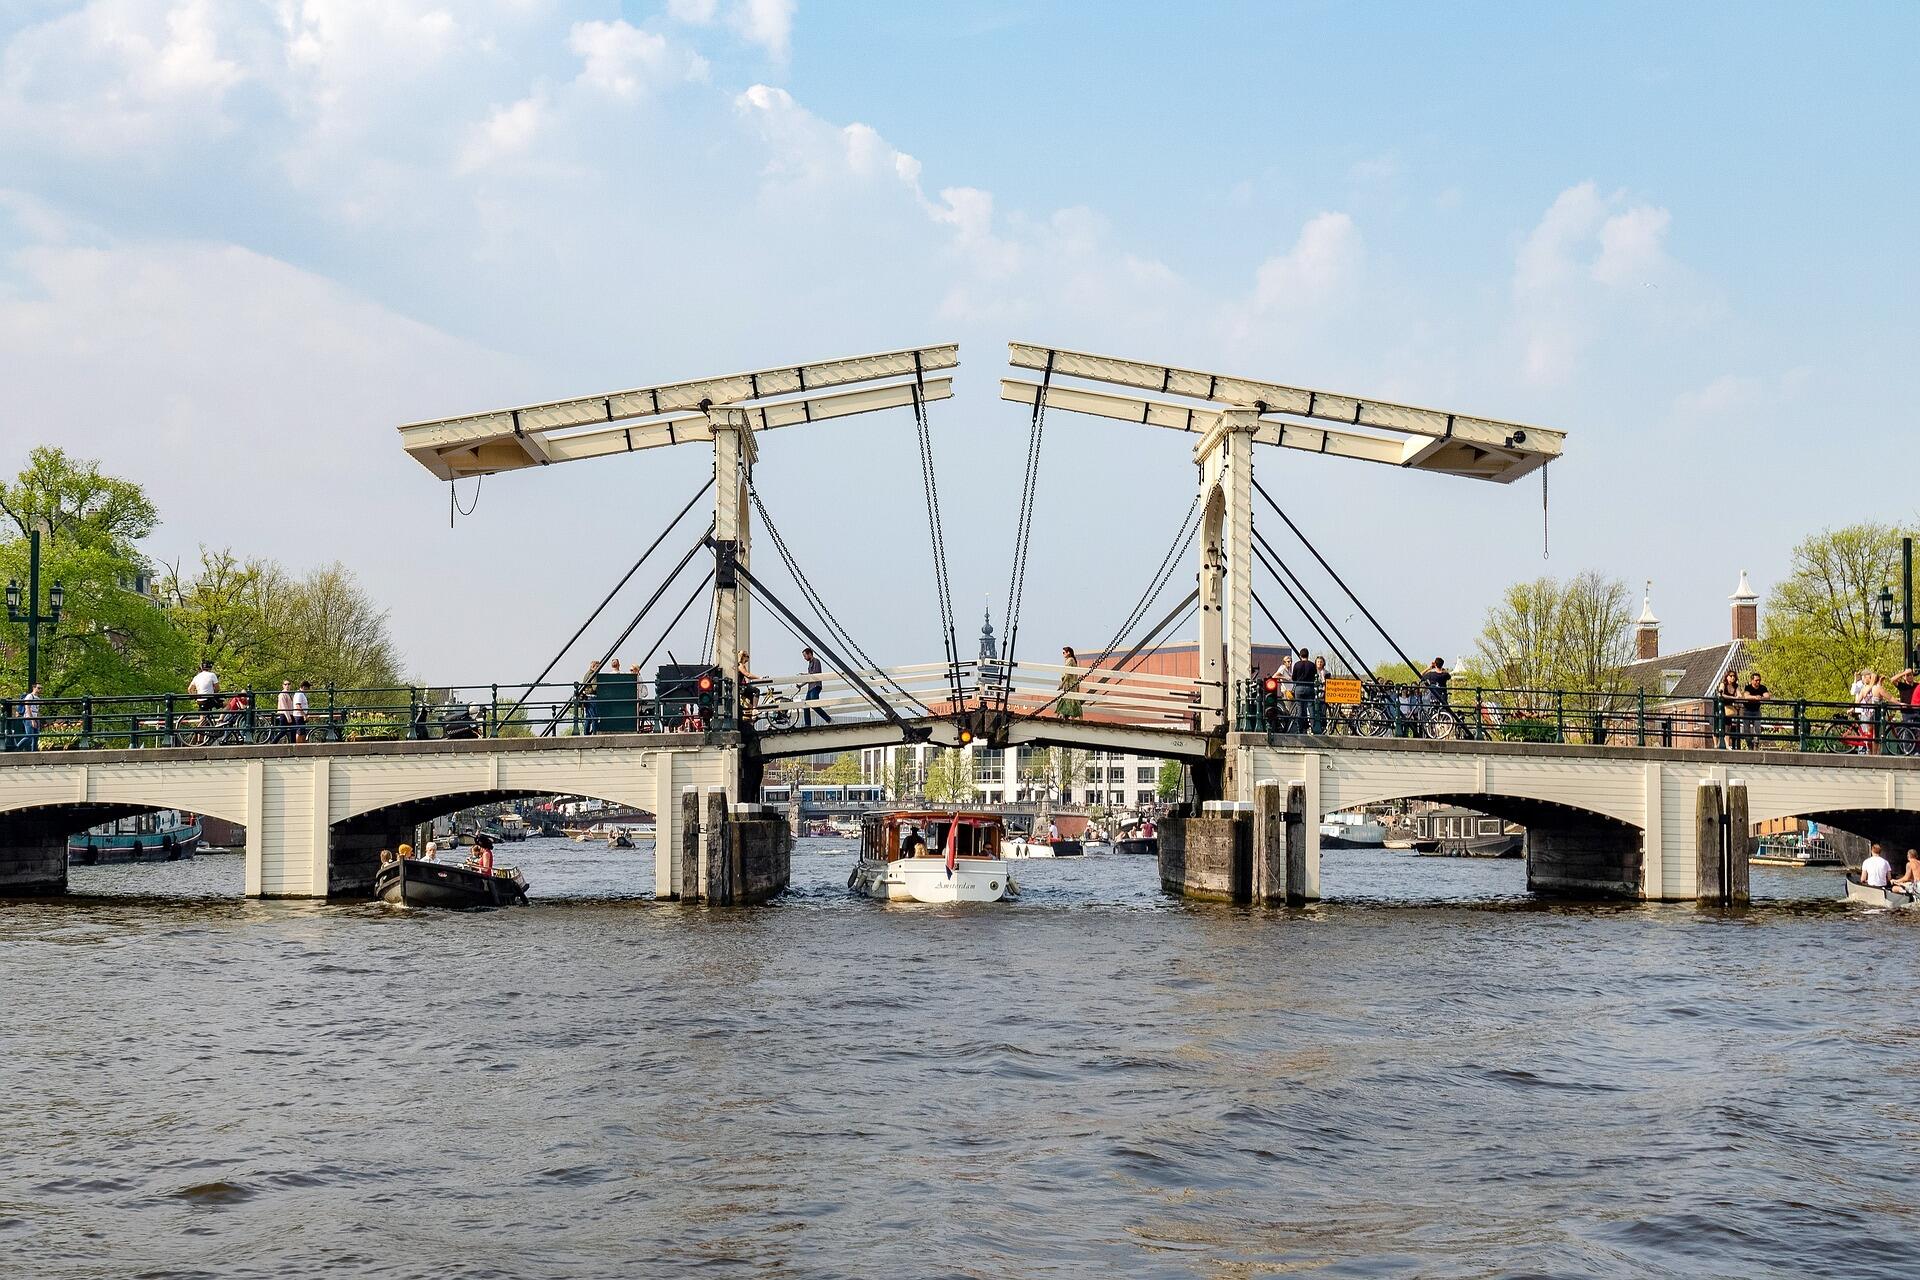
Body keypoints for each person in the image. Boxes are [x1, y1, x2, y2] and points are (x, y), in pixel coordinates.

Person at [800, 646, 832, 727]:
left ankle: (828, 719)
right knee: (806, 705)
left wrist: (805, 674)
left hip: (815, 686)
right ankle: (807, 724)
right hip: (810, 687)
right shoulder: (810, 663)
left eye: (805, 656)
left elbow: (815, 674)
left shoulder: (816, 661)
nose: (804, 658)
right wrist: (801, 685)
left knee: (814, 704)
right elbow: (809, 677)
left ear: (809, 654)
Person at [1289, 648, 1318, 734]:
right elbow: (1315, 676)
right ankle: (1313, 727)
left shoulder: (1297, 665)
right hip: (1309, 687)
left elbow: (1293, 677)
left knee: (1300, 708)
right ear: (1308, 655)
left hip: (1299, 687)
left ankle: (1300, 729)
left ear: (1300, 655)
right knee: (1311, 707)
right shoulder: (1312, 665)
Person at [1741, 669, 1768, 748]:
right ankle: (1749, 744)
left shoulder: (1762, 688)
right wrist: (1755, 697)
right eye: (1756, 680)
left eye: (1759, 680)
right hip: (1747, 710)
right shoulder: (1748, 687)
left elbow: (1767, 696)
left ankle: (1756, 743)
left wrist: (1761, 698)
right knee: (1746, 729)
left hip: (1756, 710)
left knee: (1757, 728)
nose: (1758, 682)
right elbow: (1746, 696)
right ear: (1752, 680)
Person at [1717, 671, 1743, 749]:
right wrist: (1733, 698)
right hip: (1721, 707)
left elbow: (1739, 695)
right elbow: (1721, 694)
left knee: (1728, 726)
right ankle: (1722, 743)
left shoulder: (1735, 686)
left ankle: (1727, 744)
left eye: (1734, 676)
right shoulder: (1723, 684)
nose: (1733, 677)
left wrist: (1738, 696)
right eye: (1731, 676)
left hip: (1729, 708)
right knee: (1721, 725)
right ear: (1727, 676)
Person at [1057, 647, 1083, 720]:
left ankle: (1068, 717)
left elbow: (1068, 674)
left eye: (1063, 652)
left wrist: (1062, 684)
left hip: (1069, 684)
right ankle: (1074, 717)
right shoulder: (1072, 660)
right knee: (1073, 700)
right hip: (1072, 683)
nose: (1063, 654)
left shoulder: (1070, 660)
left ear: (1068, 652)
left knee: (1070, 700)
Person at [20, 683, 41, 752]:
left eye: (41, 688)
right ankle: (16, 747)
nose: (40, 689)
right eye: (38, 688)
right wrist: (32, 720)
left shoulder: (38, 698)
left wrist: (38, 719)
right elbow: (27, 707)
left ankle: (34, 752)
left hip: (36, 718)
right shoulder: (29, 696)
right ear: (34, 688)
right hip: (29, 718)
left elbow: (37, 710)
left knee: (36, 737)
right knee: (29, 736)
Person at [1312, 656, 1328, 733]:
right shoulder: (1313, 672)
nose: (1319, 663)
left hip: (1323, 694)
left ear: (1323, 663)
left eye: (1321, 662)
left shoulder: (1326, 672)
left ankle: (1323, 727)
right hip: (1314, 693)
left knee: (1323, 711)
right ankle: (1313, 726)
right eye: (1318, 662)